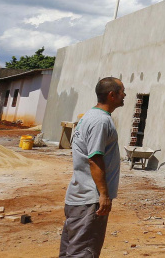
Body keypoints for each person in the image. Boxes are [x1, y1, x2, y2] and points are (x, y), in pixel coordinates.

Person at [60, 77, 126, 258]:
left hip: (78, 196)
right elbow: (95, 159)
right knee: (83, 252)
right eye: (122, 92)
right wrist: (103, 194)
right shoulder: (100, 121)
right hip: (90, 200)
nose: (124, 95)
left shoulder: (89, 116)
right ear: (112, 95)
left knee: (71, 251)